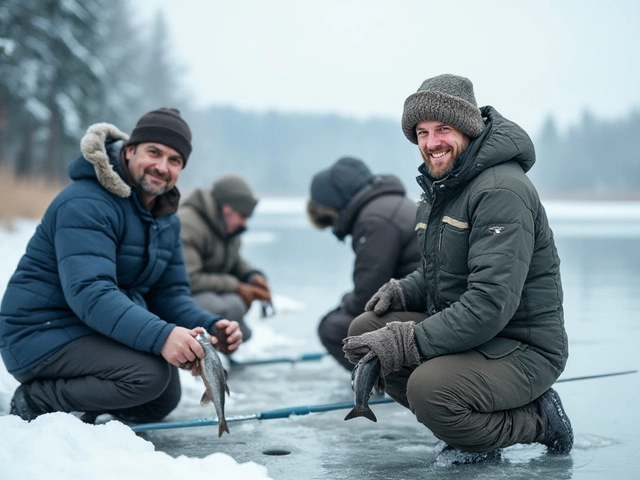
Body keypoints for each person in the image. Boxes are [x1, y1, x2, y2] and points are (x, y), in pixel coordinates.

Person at [342, 74, 573, 459]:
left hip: (522, 347)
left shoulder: (501, 190)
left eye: (443, 129)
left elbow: (489, 303)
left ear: (466, 128)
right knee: (366, 328)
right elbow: (443, 271)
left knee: (429, 390)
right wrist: (405, 289)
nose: (431, 144)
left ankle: (538, 419)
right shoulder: (442, 188)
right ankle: (468, 429)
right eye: (421, 132)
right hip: (477, 338)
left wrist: (408, 342)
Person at [0, 108, 242, 424]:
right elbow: (90, 293)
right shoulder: (86, 202)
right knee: (149, 375)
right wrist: (162, 336)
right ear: (129, 151)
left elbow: (169, 294)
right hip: (38, 333)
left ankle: (78, 414)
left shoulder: (165, 220)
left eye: (174, 160)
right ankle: (36, 400)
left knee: (163, 397)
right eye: (154, 152)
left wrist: (209, 326)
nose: (162, 166)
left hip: (86, 329)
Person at [307, 157, 420, 370]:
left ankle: (390, 384)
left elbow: (366, 297)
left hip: (421, 312)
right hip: (424, 303)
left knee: (333, 328)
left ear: (335, 204)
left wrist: (345, 303)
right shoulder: (390, 205)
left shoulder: (374, 220)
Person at [178, 175, 271, 342]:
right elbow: (190, 279)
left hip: (206, 291)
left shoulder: (227, 227)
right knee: (229, 306)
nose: (245, 223)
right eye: (243, 216)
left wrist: (252, 275)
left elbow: (233, 259)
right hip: (180, 297)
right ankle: (206, 348)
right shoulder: (188, 224)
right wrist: (236, 286)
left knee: (235, 306)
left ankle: (225, 343)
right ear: (227, 209)